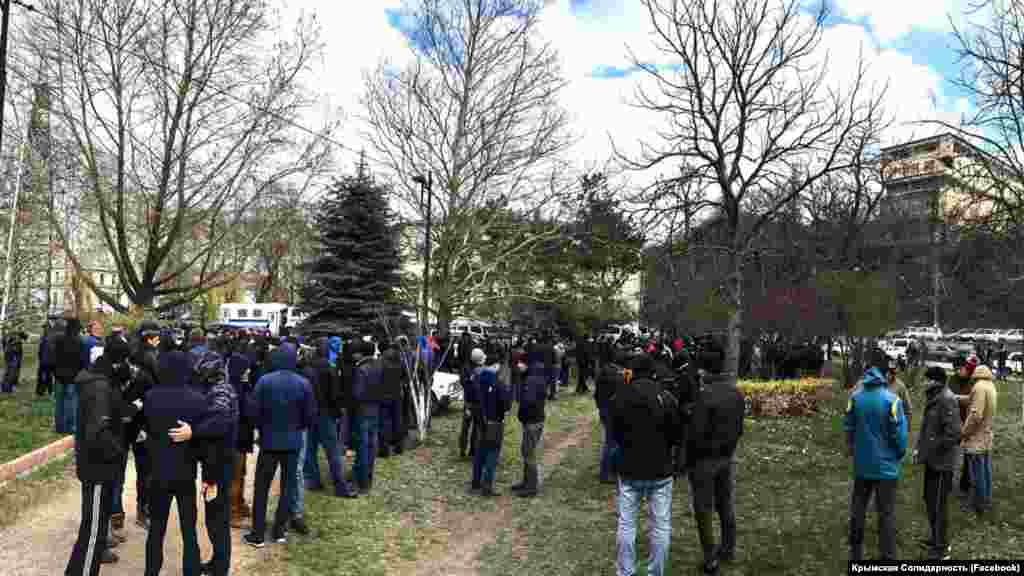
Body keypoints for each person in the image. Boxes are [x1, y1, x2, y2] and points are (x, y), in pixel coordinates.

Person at [65, 338, 133, 575]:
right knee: (93, 531)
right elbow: (98, 432)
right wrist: (118, 450)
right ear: (116, 363)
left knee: (94, 526)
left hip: (101, 467)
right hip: (97, 469)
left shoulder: (101, 382)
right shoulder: (99, 388)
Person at [609, 351, 680, 576]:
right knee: (660, 525)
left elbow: (614, 432)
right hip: (660, 470)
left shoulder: (620, 397)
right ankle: (655, 572)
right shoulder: (666, 397)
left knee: (627, 523)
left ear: (632, 372)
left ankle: (625, 571)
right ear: (653, 372)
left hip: (630, 468)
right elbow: (676, 434)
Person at [175, 335, 239, 575]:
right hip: (215, 461)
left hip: (219, 463)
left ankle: (220, 567)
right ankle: (217, 561)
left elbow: (219, 422)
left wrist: (193, 431)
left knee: (217, 518)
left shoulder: (221, 391)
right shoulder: (218, 388)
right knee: (214, 516)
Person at [245, 344, 315, 548]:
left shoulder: (265, 381)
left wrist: (261, 428)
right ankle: (279, 531)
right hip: (293, 442)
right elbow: (310, 415)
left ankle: (258, 534)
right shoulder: (303, 383)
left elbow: (253, 411)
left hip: (269, 441)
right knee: (288, 487)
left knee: (261, 488)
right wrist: (297, 427)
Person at [144, 351, 205, 576]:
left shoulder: (151, 396)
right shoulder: (197, 398)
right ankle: (192, 570)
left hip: (159, 470)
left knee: (156, 528)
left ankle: (151, 571)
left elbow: (148, 427)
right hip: (185, 471)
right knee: (189, 528)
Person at [686, 346, 744, 575]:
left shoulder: (705, 396)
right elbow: (739, 428)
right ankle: (728, 549)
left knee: (704, 509)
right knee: (725, 504)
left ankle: (710, 558)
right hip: (726, 456)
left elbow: (696, 434)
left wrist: (689, 458)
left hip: (704, 460)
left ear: (704, 371)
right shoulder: (735, 393)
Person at [845, 348, 908, 562]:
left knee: (858, 509)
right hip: (886, 469)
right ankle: (887, 557)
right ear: (884, 373)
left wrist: (853, 449)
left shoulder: (855, 397)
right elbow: (899, 436)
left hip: (862, 465)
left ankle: (855, 554)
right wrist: (899, 454)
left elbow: (849, 428)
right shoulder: (892, 400)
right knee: (886, 514)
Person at [913, 366, 959, 560]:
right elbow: (928, 429)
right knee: (930, 500)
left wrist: (933, 448)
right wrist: (920, 448)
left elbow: (953, 434)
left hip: (942, 464)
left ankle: (941, 548)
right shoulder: (934, 398)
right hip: (932, 461)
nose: (924, 382)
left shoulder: (947, 400)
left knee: (938, 505)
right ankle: (935, 538)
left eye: (927, 379)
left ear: (935, 381)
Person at [303, 337, 356, 498]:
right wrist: (337, 413)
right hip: (325, 414)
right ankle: (340, 486)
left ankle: (313, 481)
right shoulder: (329, 368)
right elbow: (334, 394)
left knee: (310, 450)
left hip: (310, 414)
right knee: (332, 452)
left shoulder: (307, 368)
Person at [957, 363, 997, 516]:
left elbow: (975, 415)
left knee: (976, 473)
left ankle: (978, 505)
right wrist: (956, 397)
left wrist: (964, 433)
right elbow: (971, 399)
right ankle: (986, 500)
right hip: (986, 435)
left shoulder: (979, 387)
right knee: (985, 471)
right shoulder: (990, 386)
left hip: (976, 437)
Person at [512, 344, 548, 498]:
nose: (518, 366)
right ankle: (526, 482)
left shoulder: (532, 380)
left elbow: (528, 401)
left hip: (532, 421)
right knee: (526, 451)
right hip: (532, 419)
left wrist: (523, 413)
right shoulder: (532, 375)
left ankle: (531, 487)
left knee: (529, 454)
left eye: (520, 363)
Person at [473, 353, 511, 497]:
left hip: (481, 421)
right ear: (496, 366)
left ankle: (476, 482)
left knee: (480, 452)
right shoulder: (497, 383)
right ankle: (487, 486)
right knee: (492, 454)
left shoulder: (478, 378)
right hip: (495, 423)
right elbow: (505, 405)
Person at [351, 340, 383, 495]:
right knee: (371, 444)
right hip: (375, 408)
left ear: (362, 353)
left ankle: (362, 482)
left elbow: (357, 393)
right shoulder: (379, 366)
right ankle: (368, 478)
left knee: (363, 446)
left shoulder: (361, 369)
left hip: (363, 409)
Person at [951, 356, 977, 496]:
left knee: (968, 454)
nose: (957, 371)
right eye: (955, 369)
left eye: (960, 369)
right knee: (951, 451)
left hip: (968, 421)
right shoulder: (953, 379)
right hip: (954, 420)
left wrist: (956, 398)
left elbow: (972, 400)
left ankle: (965, 484)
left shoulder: (973, 381)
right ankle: (947, 480)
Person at [55, 318, 86, 435]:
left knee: (59, 402)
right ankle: (70, 426)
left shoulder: (59, 339)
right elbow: (82, 360)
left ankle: (59, 426)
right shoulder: (80, 341)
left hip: (59, 375)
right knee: (71, 402)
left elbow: (54, 356)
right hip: (73, 376)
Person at [460, 348, 485, 462]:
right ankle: (463, 449)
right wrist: (471, 380)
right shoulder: (467, 368)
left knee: (475, 427)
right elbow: (464, 383)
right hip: (470, 403)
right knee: (466, 427)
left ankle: (472, 450)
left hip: (476, 402)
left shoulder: (475, 368)